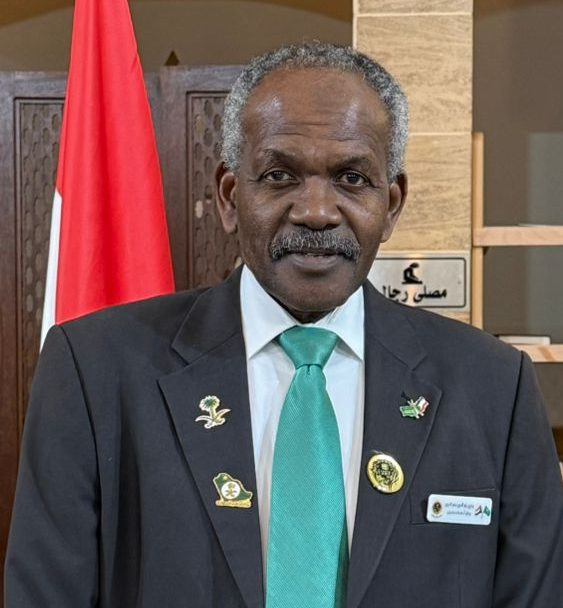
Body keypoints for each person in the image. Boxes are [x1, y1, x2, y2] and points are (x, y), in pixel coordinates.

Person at [5, 42, 563, 608]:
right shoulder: (95, 371)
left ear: (391, 204)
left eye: (351, 178)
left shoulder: (495, 389)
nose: (316, 211)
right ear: (230, 197)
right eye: (279, 175)